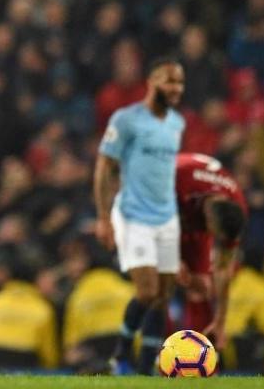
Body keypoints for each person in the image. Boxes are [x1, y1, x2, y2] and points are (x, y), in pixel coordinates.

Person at [93, 58, 185, 374]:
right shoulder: (126, 119)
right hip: (134, 215)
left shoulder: (176, 124)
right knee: (146, 291)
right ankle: (120, 356)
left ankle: (146, 369)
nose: (175, 88)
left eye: (179, 82)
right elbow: (105, 166)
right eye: (169, 81)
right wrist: (104, 217)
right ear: (151, 82)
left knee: (163, 296)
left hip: (167, 217)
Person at [174, 153, 248, 350]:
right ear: (207, 218)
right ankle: (152, 355)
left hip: (187, 215)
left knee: (202, 287)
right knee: (158, 283)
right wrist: (170, 257)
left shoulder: (236, 205)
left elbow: (223, 269)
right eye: (213, 234)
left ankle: (201, 355)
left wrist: (221, 320)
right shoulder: (178, 181)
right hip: (152, 206)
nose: (213, 239)